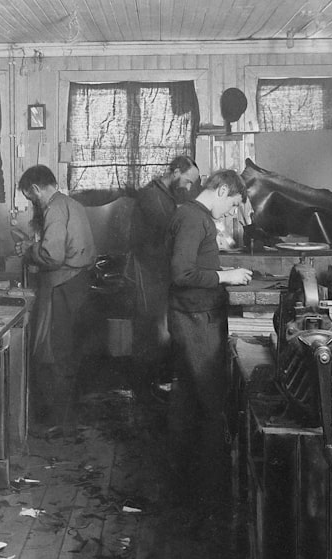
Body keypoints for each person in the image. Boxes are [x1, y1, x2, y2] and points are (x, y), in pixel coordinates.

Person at [166, 169, 252, 507]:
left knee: (191, 398)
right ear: (223, 189)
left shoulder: (192, 214)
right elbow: (181, 273)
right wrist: (225, 275)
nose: (231, 212)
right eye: (232, 205)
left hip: (195, 313)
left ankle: (187, 484)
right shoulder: (193, 218)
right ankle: (206, 491)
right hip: (194, 317)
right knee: (207, 400)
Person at [13, 165, 97, 432]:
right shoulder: (71, 204)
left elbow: (52, 256)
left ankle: (56, 422)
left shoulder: (54, 209)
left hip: (63, 286)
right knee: (68, 353)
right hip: (78, 284)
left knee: (52, 353)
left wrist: (29, 249)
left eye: (30, 197)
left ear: (36, 189)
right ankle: (67, 418)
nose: (31, 203)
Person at [129, 155, 201, 403]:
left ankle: (149, 389)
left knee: (157, 333)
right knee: (153, 333)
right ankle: (146, 393)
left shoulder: (163, 196)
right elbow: (167, 237)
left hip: (157, 274)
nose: (188, 188)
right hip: (150, 274)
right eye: (188, 181)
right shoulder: (153, 197)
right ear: (176, 171)